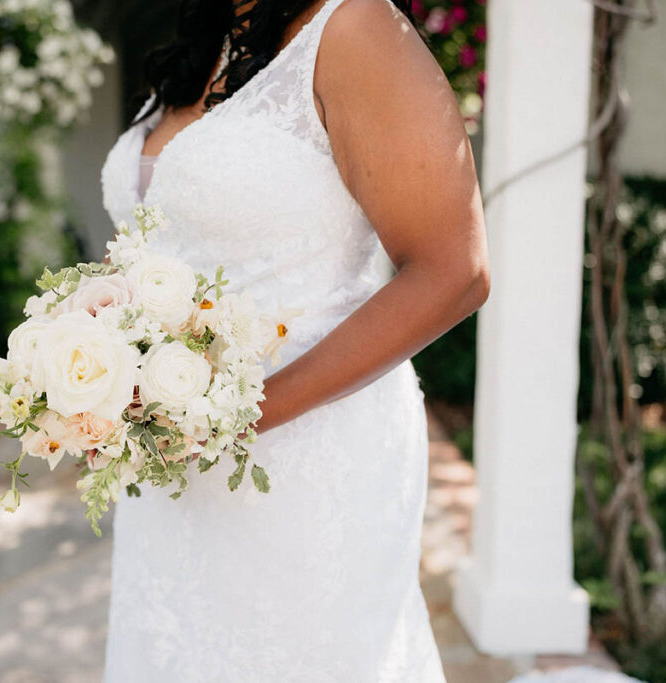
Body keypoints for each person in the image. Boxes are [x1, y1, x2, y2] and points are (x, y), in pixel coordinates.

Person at [99, 0, 489, 680]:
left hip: (307, 462)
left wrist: (243, 413)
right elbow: (167, 234)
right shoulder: (212, 35)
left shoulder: (356, 27)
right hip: (175, 463)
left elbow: (454, 270)